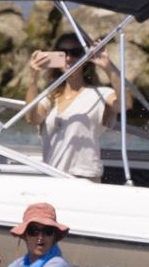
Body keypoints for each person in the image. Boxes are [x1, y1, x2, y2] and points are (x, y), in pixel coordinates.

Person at [24, 33, 118, 181]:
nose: (68, 58)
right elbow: (32, 119)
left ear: (86, 59)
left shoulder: (101, 94)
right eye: (63, 53)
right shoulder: (50, 96)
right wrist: (32, 78)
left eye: (76, 53)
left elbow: (125, 104)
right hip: (52, 176)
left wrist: (108, 68)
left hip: (85, 178)